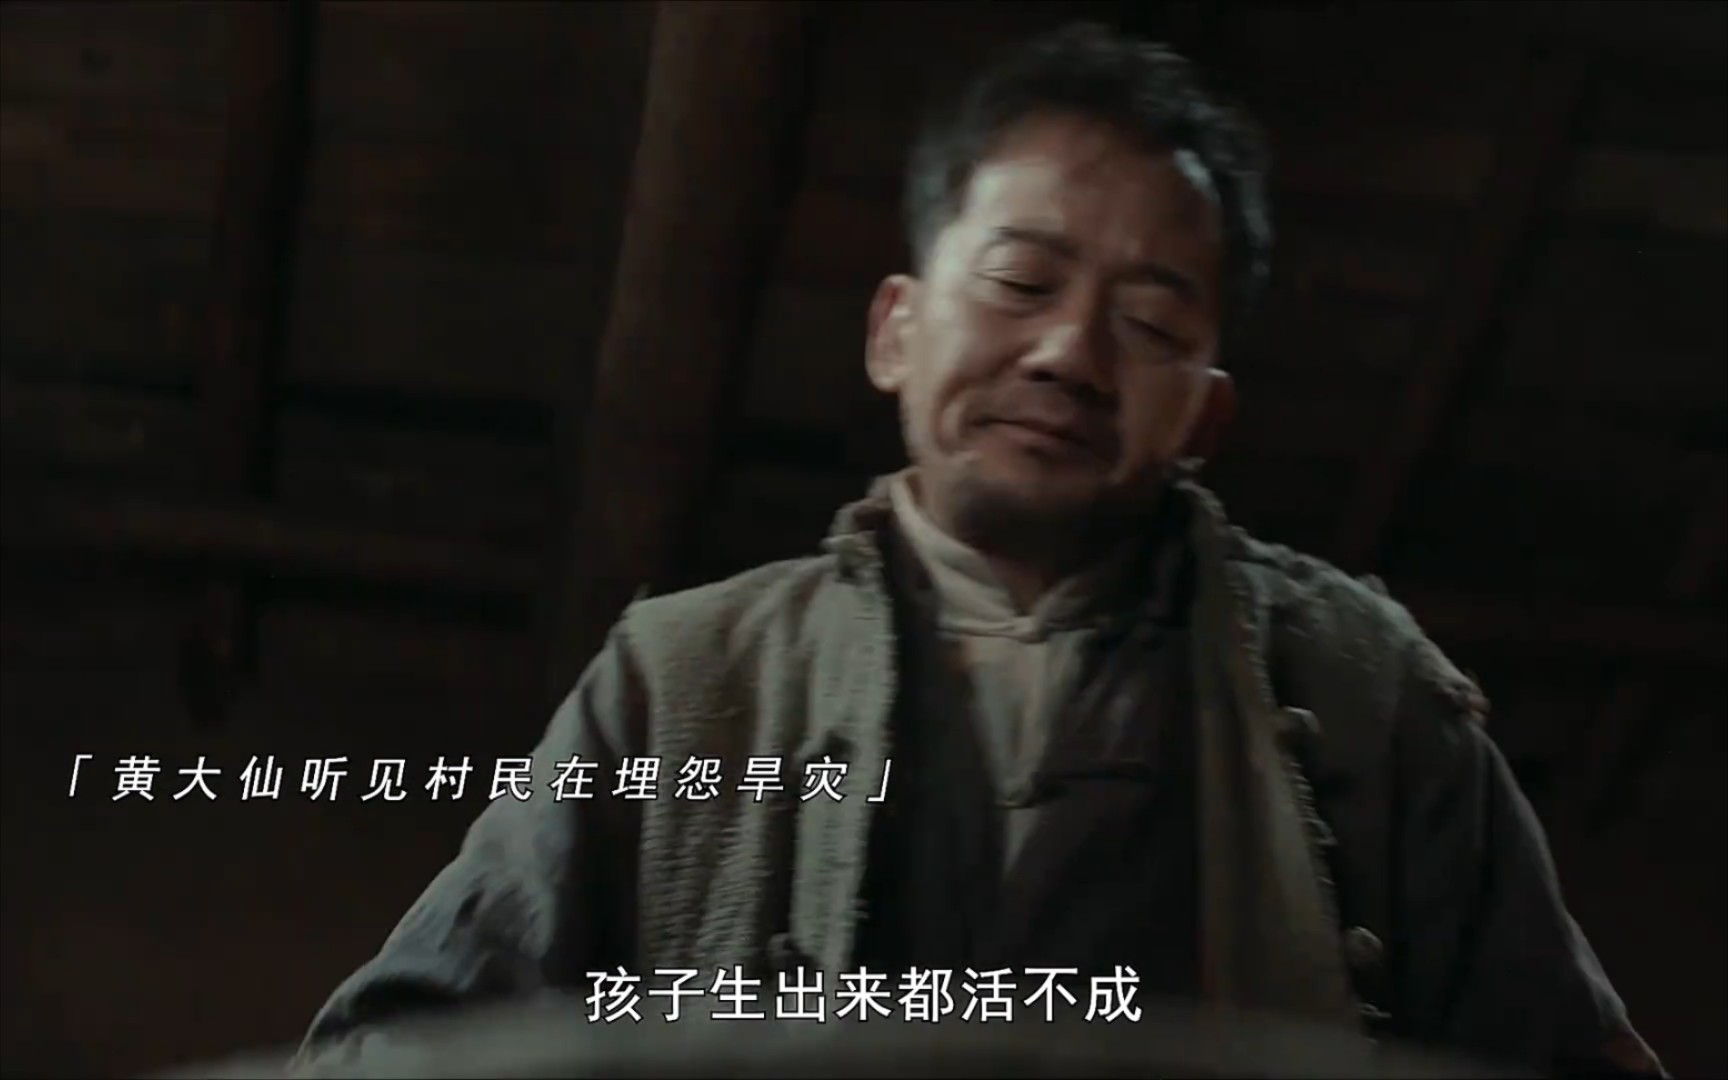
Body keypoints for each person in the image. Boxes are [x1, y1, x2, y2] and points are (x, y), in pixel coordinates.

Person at [299, 23, 1663, 1077]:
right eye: (1019, 281)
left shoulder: (1367, 693)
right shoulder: (685, 676)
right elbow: (401, 1045)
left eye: (1149, 321)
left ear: (1205, 414)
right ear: (896, 328)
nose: (1068, 352)